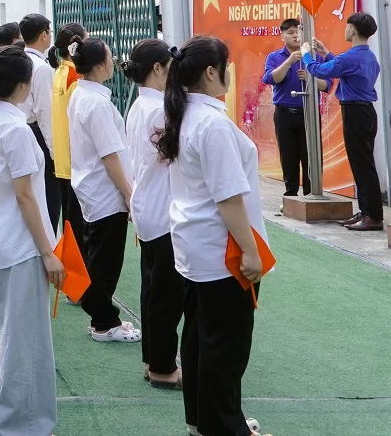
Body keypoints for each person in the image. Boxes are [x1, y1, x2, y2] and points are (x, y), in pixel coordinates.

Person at [158, 37, 270, 436]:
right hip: (221, 249)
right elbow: (228, 197)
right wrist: (250, 251)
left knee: (201, 339)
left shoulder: (186, 114)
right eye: (227, 64)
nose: (230, 71)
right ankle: (224, 427)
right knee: (226, 346)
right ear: (211, 72)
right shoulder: (210, 123)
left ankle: (205, 421)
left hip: (197, 245)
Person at [0, 46, 61, 436]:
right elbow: (25, 195)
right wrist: (48, 252)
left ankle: (5, 415)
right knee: (23, 338)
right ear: (24, 85)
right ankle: (20, 423)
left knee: (1, 334)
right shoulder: (14, 128)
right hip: (21, 244)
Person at [66, 39, 139, 344]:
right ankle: (103, 319)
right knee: (104, 262)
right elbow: (109, 154)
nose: (113, 62)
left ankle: (102, 316)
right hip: (104, 190)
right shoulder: (94, 102)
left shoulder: (83, 95)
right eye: (109, 57)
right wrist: (128, 193)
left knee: (100, 256)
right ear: (98, 65)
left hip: (94, 187)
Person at [123, 39, 182, 390]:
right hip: (160, 208)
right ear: (158, 68)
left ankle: (153, 360)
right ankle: (161, 365)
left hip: (148, 204)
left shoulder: (140, 106)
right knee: (165, 296)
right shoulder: (159, 109)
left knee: (153, 292)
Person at [304, 13, 383, 230]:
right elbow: (343, 68)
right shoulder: (367, 56)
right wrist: (325, 53)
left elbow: (319, 70)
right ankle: (366, 212)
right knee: (362, 165)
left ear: (353, 30)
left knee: (363, 167)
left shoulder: (352, 57)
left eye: (347, 26)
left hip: (356, 114)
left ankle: (374, 216)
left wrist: (306, 56)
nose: (345, 29)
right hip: (365, 113)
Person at [19, 14, 61, 230]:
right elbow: (46, 112)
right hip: (38, 134)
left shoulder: (20, 59)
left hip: (23, 129)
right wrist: (55, 154)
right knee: (48, 198)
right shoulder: (41, 67)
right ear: (43, 35)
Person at [261, 19, 311, 203]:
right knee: (288, 154)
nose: (295, 35)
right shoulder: (275, 57)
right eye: (290, 32)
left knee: (309, 155)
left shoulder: (312, 56)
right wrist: (289, 62)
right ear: (282, 36)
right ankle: (290, 195)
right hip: (284, 113)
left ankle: (310, 194)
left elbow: (326, 84)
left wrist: (309, 78)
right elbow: (270, 78)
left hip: (308, 113)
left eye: (298, 31)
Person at [46, 22, 87, 240]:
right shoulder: (74, 77)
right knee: (79, 229)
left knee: (71, 224)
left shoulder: (60, 72)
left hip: (63, 160)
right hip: (75, 161)